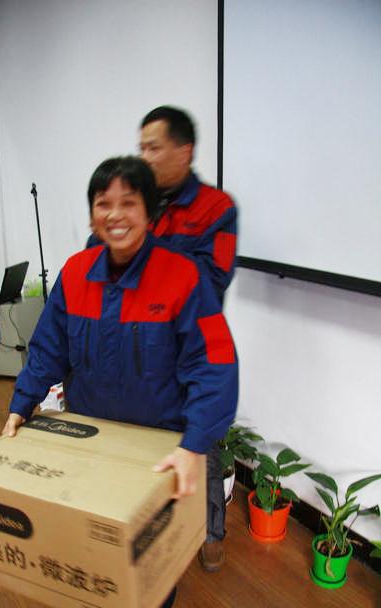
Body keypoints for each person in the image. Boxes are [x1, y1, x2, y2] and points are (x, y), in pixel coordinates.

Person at [3, 156, 238, 608]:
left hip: (156, 442)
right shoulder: (75, 273)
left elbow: (214, 363)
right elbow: (47, 347)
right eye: (102, 203)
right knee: (96, 524)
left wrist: (195, 444)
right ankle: (104, 590)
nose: (114, 214)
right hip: (91, 435)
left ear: (149, 213)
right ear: (91, 214)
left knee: (150, 540)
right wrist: (21, 404)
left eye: (128, 202)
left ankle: (153, 607)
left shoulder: (182, 277)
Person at [138, 106, 238, 573]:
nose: (145, 156)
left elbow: (210, 282)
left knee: (202, 442)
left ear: (184, 151)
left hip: (193, 348)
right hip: (142, 347)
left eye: (153, 147)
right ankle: (152, 529)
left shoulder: (217, 209)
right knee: (144, 443)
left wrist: (146, 257)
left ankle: (211, 532)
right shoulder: (137, 201)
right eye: (141, 147)